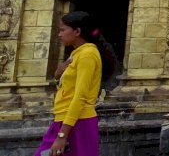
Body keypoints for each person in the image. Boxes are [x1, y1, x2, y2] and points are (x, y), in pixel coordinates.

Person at [36, 11, 116, 156]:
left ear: (77, 31)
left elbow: (80, 96)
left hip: (79, 121)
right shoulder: (76, 54)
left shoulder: (88, 55)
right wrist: (57, 76)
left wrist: (62, 135)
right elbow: (67, 90)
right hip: (64, 119)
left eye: (63, 30)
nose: (59, 35)